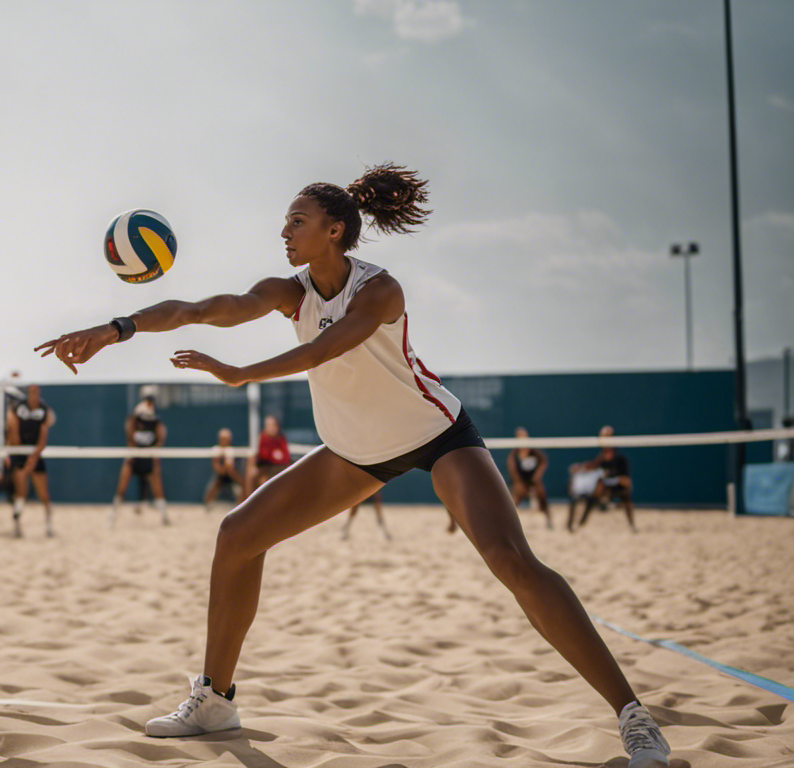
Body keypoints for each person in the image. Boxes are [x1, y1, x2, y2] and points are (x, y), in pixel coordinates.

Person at [35, 165, 669, 767]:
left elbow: (327, 347)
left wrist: (239, 374)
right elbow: (204, 307)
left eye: (296, 222)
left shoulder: (379, 288)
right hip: (354, 451)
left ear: (334, 230)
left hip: (437, 435)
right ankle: (215, 701)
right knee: (237, 535)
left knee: (510, 559)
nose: (283, 233)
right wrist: (115, 328)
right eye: (285, 224)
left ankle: (633, 716)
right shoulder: (289, 291)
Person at [111, 388, 170, 528]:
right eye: (147, 400)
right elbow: (129, 436)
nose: (149, 403)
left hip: (148, 458)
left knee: (158, 490)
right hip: (135, 458)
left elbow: (161, 438)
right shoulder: (135, 417)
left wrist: (155, 455)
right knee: (121, 487)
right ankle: (113, 516)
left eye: (151, 400)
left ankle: (165, 517)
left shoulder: (156, 421)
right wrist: (131, 453)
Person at [6, 384, 54, 538]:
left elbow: (43, 438)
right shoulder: (16, 408)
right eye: (32, 391)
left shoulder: (44, 410)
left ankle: (49, 525)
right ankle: (17, 527)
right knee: (21, 492)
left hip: (35, 453)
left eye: (36, 391)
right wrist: (10, 452)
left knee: (43, 494)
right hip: (20, 453)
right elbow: (12, 436)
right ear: (28, 393)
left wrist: (33, 458)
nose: (34, 394)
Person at [575, 425, 638, 533]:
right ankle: (581, 524)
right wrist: (580, 467)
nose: (603, 441)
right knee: (593, 495)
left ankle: (632, 525)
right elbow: (592, 465)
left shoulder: (620, 459)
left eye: (606, 438)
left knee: (626, 499)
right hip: (605, 488)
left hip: (619, 487)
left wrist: (614, 480)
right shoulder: (601, 457)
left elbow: (626, 480)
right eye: (602, 438)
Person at [507, 427, 552, 529]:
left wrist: (538, 474)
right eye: (520, 436)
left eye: (524, 436)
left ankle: (548, 520)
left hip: (533, 480)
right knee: (514, 501)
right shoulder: (514, 453)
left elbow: (543, 461)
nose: (522, 439)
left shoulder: (534, 451)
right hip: (521, 481)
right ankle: (508, 523)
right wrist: (517, 481)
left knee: (542, 497)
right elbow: (512, 468)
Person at [247, 415, 292, 493]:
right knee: (254, 474)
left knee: (263, 481)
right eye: (267, 425)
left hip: (277, 470)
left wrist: (272, 456)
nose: (269, 428)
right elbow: (264, 455)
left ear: (276, 426)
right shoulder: (264, 438)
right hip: (265, 468)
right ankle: (248, 498)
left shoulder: (281, 439)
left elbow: (285, 459)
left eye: (271, 425)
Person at [204, 428, 244, 511]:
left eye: (226, 438)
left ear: (230, 440)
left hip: (232, 476)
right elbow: (217, 468)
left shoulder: (231, 450)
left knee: (242, 487)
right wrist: (224, 467)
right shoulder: (216, 449)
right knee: (210, 490)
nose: (224, 441)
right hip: (220, 476)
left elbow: (230, 469)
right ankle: (207, 507)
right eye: (222, 438)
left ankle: (241, 508)